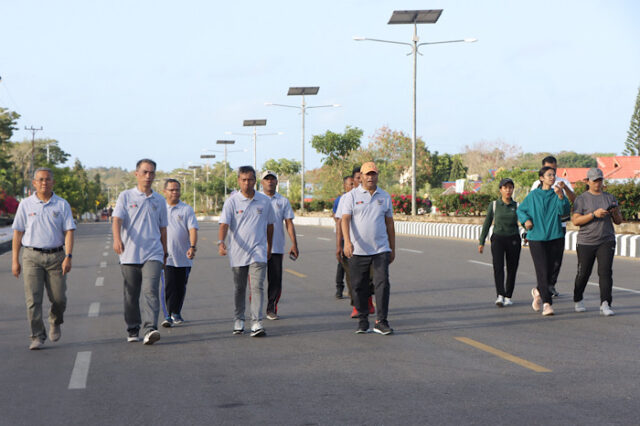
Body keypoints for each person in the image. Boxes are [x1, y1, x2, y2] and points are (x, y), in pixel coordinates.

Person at [11, 167, 75, 350]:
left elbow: (69, 231)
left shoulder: (61, 204)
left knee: (59, 299)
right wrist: (15, 260)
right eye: (40, 179)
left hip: (56, 256)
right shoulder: (25, 204)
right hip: (31, 257)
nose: (44, 183)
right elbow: (18, 233)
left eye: (47, 179)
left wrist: (68, 256)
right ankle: (37, 335)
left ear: (53, 182)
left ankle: (55, 320)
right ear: (34, 183)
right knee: (33, 300)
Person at [112, 159, 168, 345]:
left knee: (150, 290)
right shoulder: (126, 196)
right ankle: (133, 327)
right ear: (136, 174)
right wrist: (117, 239)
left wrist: (165, 251)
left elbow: (163, 228)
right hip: (129, 253)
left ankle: (150, 329)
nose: (148, 176)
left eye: (151, 173)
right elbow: (117, 220)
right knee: (131, 294)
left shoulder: (159, 200)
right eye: (145, 172)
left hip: (153, 253)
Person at [218, 166, 275, 337]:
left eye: (250, 180)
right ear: (238, 181)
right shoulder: (232, 202)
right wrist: (221, 242)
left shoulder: (264, 201)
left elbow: (270, 225)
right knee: (239, 288)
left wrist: (269, 246)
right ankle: (239, 319)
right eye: (243, 180)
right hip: (238, 252)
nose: (247, 183)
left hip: (258, 251)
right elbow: (224, 224)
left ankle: (256, 322)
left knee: (257, 287)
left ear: (255, 181)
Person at [342, 161, 395, 335]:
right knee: (358, 286)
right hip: (358, 250)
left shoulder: (384, 196)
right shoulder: (351, 196)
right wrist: (347, 242)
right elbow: (345, 220)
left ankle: (381, 321)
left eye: (373, 174)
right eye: (367, 174)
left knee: (382, 283)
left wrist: (392, 248)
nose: (371, 177)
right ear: (361, 177)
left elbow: (389, 223)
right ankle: (363, 319)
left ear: (377, 176)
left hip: (380, 249)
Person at [517, 166, 571, 316]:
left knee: (553, 269)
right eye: (549, 175)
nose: (552, 177)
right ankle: (547, 304)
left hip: (555, 235)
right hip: (536, 237)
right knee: (542, 270)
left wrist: (561, 197)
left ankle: (538, 291)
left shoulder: (557, 194)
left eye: (554, 175)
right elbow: (521, 210)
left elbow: (564, 212)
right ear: (541, 178)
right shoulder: (533, 195)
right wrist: (526, 220)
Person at [571, 168, 623, 316]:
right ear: (587, 181)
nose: (598, 183)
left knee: (605, 272)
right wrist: (593, 214)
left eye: (600, 180)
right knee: (583, 273)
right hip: (586, 241)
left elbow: (618, 221)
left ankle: (605, 303)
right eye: (595, 181)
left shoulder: (610, 197)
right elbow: (576, 221)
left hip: (606, 240)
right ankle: (578, 298)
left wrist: (615, 212)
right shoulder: (581, 199)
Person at [530, 156, 576, 297]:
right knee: (543, 260)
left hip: (558, 226)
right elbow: (531, 205)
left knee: (556, 259)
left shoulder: (563, 182)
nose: (552, 173)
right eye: (549, 169)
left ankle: (550, 285)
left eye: (554, 169)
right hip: (541, 227)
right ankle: (543, 287)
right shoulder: (536, 185)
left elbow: (574, 200)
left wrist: (564, 189)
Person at [335, 166, 375, 318]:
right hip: (350, 245)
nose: (360, 180)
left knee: (371, 277)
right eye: (357, 178)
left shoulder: (374, 196)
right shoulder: (347, 198)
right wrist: (340, 245)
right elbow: (340, 222)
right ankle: (357, 306)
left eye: (361, 177)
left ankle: (368, 300)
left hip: (370, 246)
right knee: (353, 278)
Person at [260, 170, 299, 320]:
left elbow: (289, 223)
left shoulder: (282, 201)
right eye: (266, 179)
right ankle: (255, 308)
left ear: (277, 182)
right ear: (262, 182)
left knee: (275, 281)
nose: (270, 181)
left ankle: (271, 308)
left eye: (272, 179)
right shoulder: (256, 199)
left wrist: (294, 244)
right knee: (256, 282)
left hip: (276, 248)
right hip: (257, 248)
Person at [161, 178, 199, 328]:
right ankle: (168, 315)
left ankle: (176, 312)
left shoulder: (186, 209)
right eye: (171, 190)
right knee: (168, 285)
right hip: (165, 256)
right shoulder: (160, 208)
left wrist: (192, 247)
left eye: (177, 189)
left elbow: (193, 229)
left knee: (180, 286)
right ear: (165, 191)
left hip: (183, 256)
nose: (175, 192)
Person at [478, 178, 521, 307]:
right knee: (498, 267)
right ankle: (500, 295)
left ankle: (508, 296)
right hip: (498, 239)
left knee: (512, 268)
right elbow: (487, 223)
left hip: (513, 239)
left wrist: (529, 232)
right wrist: (481, 241)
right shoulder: (494, 205)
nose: (508, 190)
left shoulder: (517, 206)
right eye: (505, 188)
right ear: (500, 190)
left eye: (510, 188)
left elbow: (524, 221)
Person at [332, 175, 354, 299]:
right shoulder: (340, 200)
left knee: (353, 265)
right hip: (343, 237)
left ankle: (353, 290)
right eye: (350, 184)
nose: (353, 186)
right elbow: (337, 218)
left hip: (354, 237)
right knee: (342, 264)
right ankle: (339, 288)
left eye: (354, 183)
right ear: (345, 186)